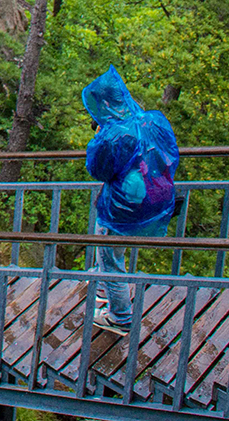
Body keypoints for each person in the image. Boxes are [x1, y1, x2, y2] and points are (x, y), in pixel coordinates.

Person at [82, 66, 181, 334]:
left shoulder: (114, 135)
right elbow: (170, 153)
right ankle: (104, 287)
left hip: (122, 207)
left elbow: (98, 170)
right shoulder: (153, 120)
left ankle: (120, 316)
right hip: (153, 198)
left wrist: (100, 138)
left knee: (109, 255)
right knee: (112, 251)